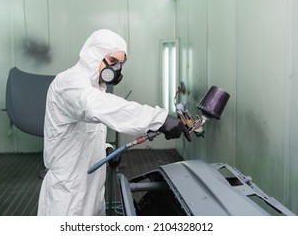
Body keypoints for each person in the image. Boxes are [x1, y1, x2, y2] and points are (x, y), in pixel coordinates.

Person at [37, 29, 188, 216]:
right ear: (94, 56)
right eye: (112, 62)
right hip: (67, 191)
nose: (116, 70)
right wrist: (158, 118)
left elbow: (82, 131)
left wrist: (105, 148)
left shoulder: (94, 89)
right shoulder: (69, 82)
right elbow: (96, 107)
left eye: (120, 64)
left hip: (92, 186)